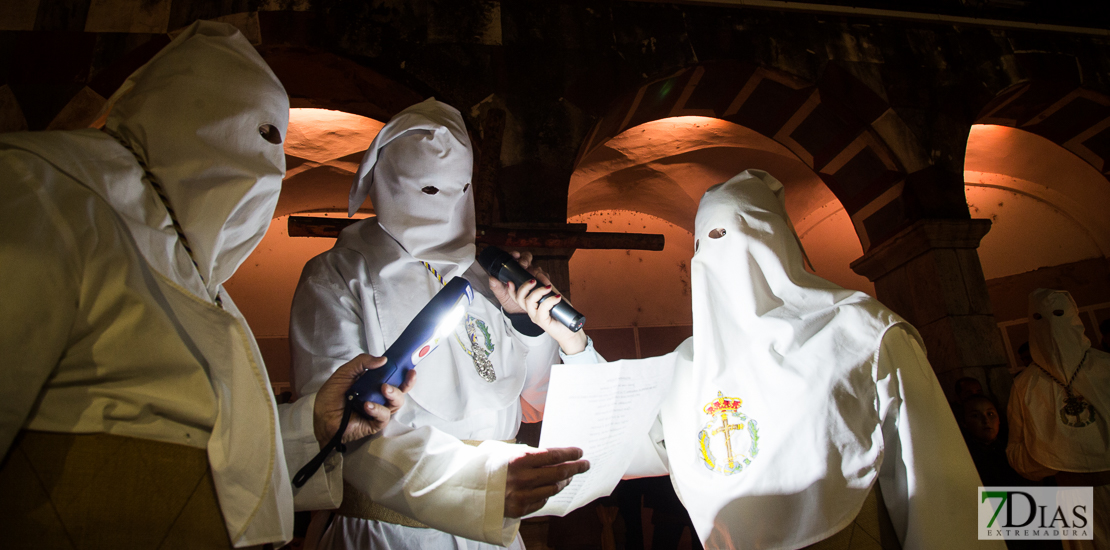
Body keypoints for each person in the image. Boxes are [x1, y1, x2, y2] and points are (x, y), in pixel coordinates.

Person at [0, 21, 413, 549]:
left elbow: (212, 462)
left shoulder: (198, 278)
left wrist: (317, 424)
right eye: (259, 134)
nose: (270, 166)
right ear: (181, 116)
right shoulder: (45, 192)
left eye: (278, 142)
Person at [514, 170, 1002, 549]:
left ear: (778, 242)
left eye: (740, 236)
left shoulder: (860, 332)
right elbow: (631, 441)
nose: (725, 258)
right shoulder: (693, 364)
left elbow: (938, 485)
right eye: (709, 242)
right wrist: (574, 346)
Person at [289, 98, 588, 549]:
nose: (447, 206)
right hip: (390, 532)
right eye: (429, 190)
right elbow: (336, 427)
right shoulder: (338, 276)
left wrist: (525, 323)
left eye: (459, 189)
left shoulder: (487, 275)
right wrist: (478, 487)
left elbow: (534, 402)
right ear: (390, 182)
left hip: (495, 532)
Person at [1007, 289, 1110, 550]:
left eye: (1059, 314)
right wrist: (1051, 458)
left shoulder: (1106, 368)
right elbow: (1016, 451)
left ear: (1074, 317)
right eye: (1041, 318)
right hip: (1072, 501)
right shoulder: (1024, 386)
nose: (1052, 325)